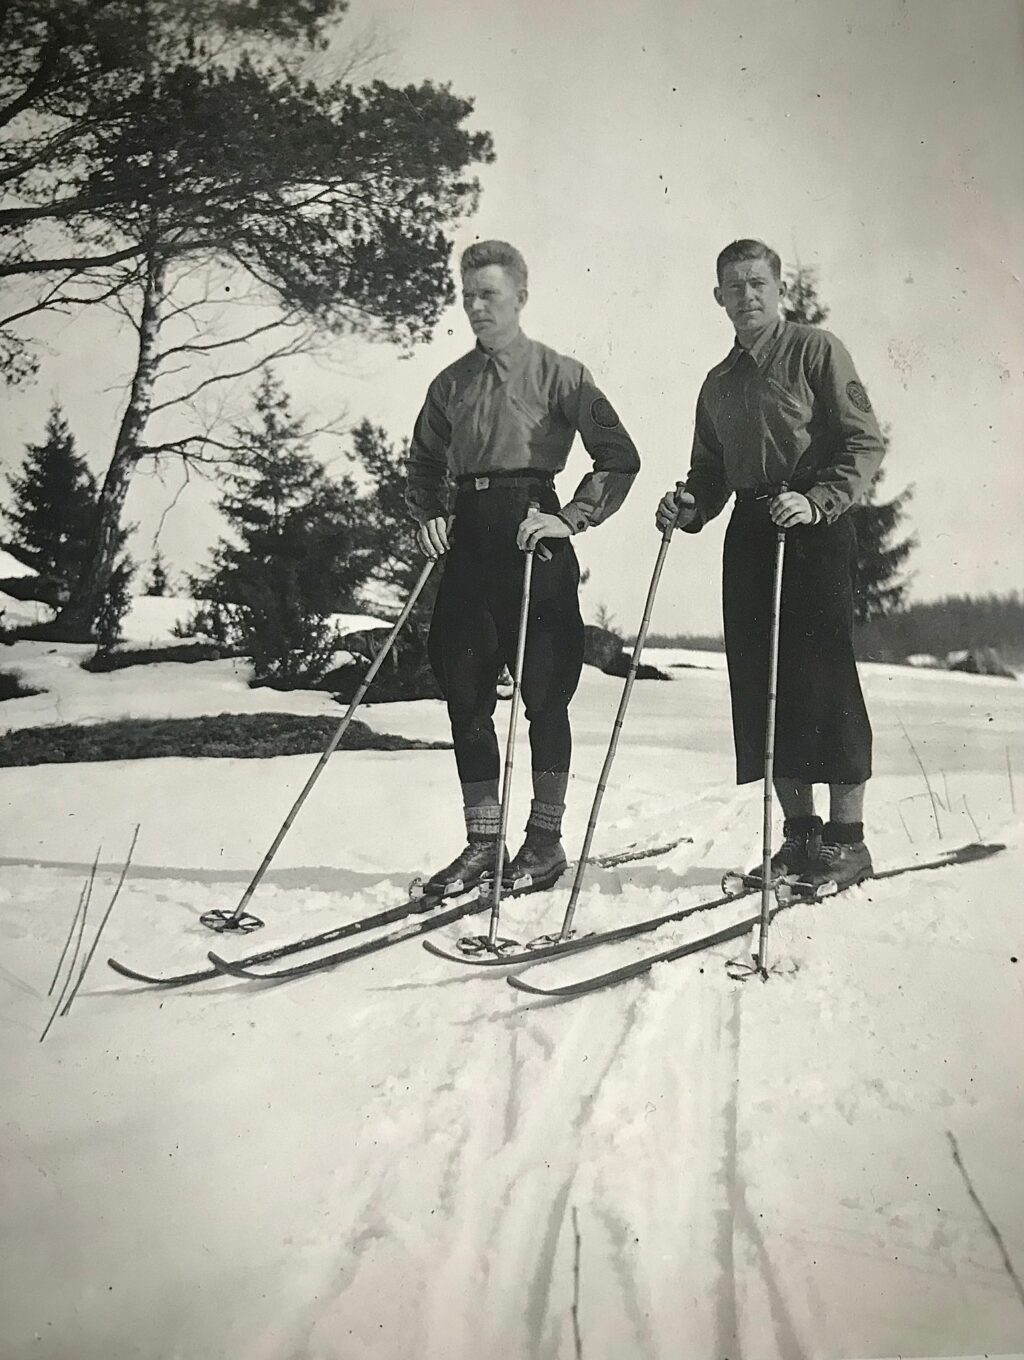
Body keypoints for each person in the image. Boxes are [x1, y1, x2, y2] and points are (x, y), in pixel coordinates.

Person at [407, 240, 640, 896]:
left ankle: (543, 843)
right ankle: (483, 846)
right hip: (470, 543)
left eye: (490, 295)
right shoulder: (450, 383)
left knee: (544, 698)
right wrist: (427, 512)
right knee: (467, 698)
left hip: (535, 537)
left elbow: (618, 456)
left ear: (520, 298)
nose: (477, 307)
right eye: (469, 295)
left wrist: (572, 517)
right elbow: (423, 463)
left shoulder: (561, 374)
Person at [656, 239, 886, 891]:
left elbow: (864, 441)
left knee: (823, 676)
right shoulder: (718, 383)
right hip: (752, 530)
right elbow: (710, 472)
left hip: (813, 525)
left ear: (777, 287)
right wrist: (688, 507)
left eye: (757, 283)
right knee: (764, 681)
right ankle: (799, 841)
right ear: (718, 298)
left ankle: (847, 843)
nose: (746, 296)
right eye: (734, 286)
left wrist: (817, 502)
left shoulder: (816, 350)